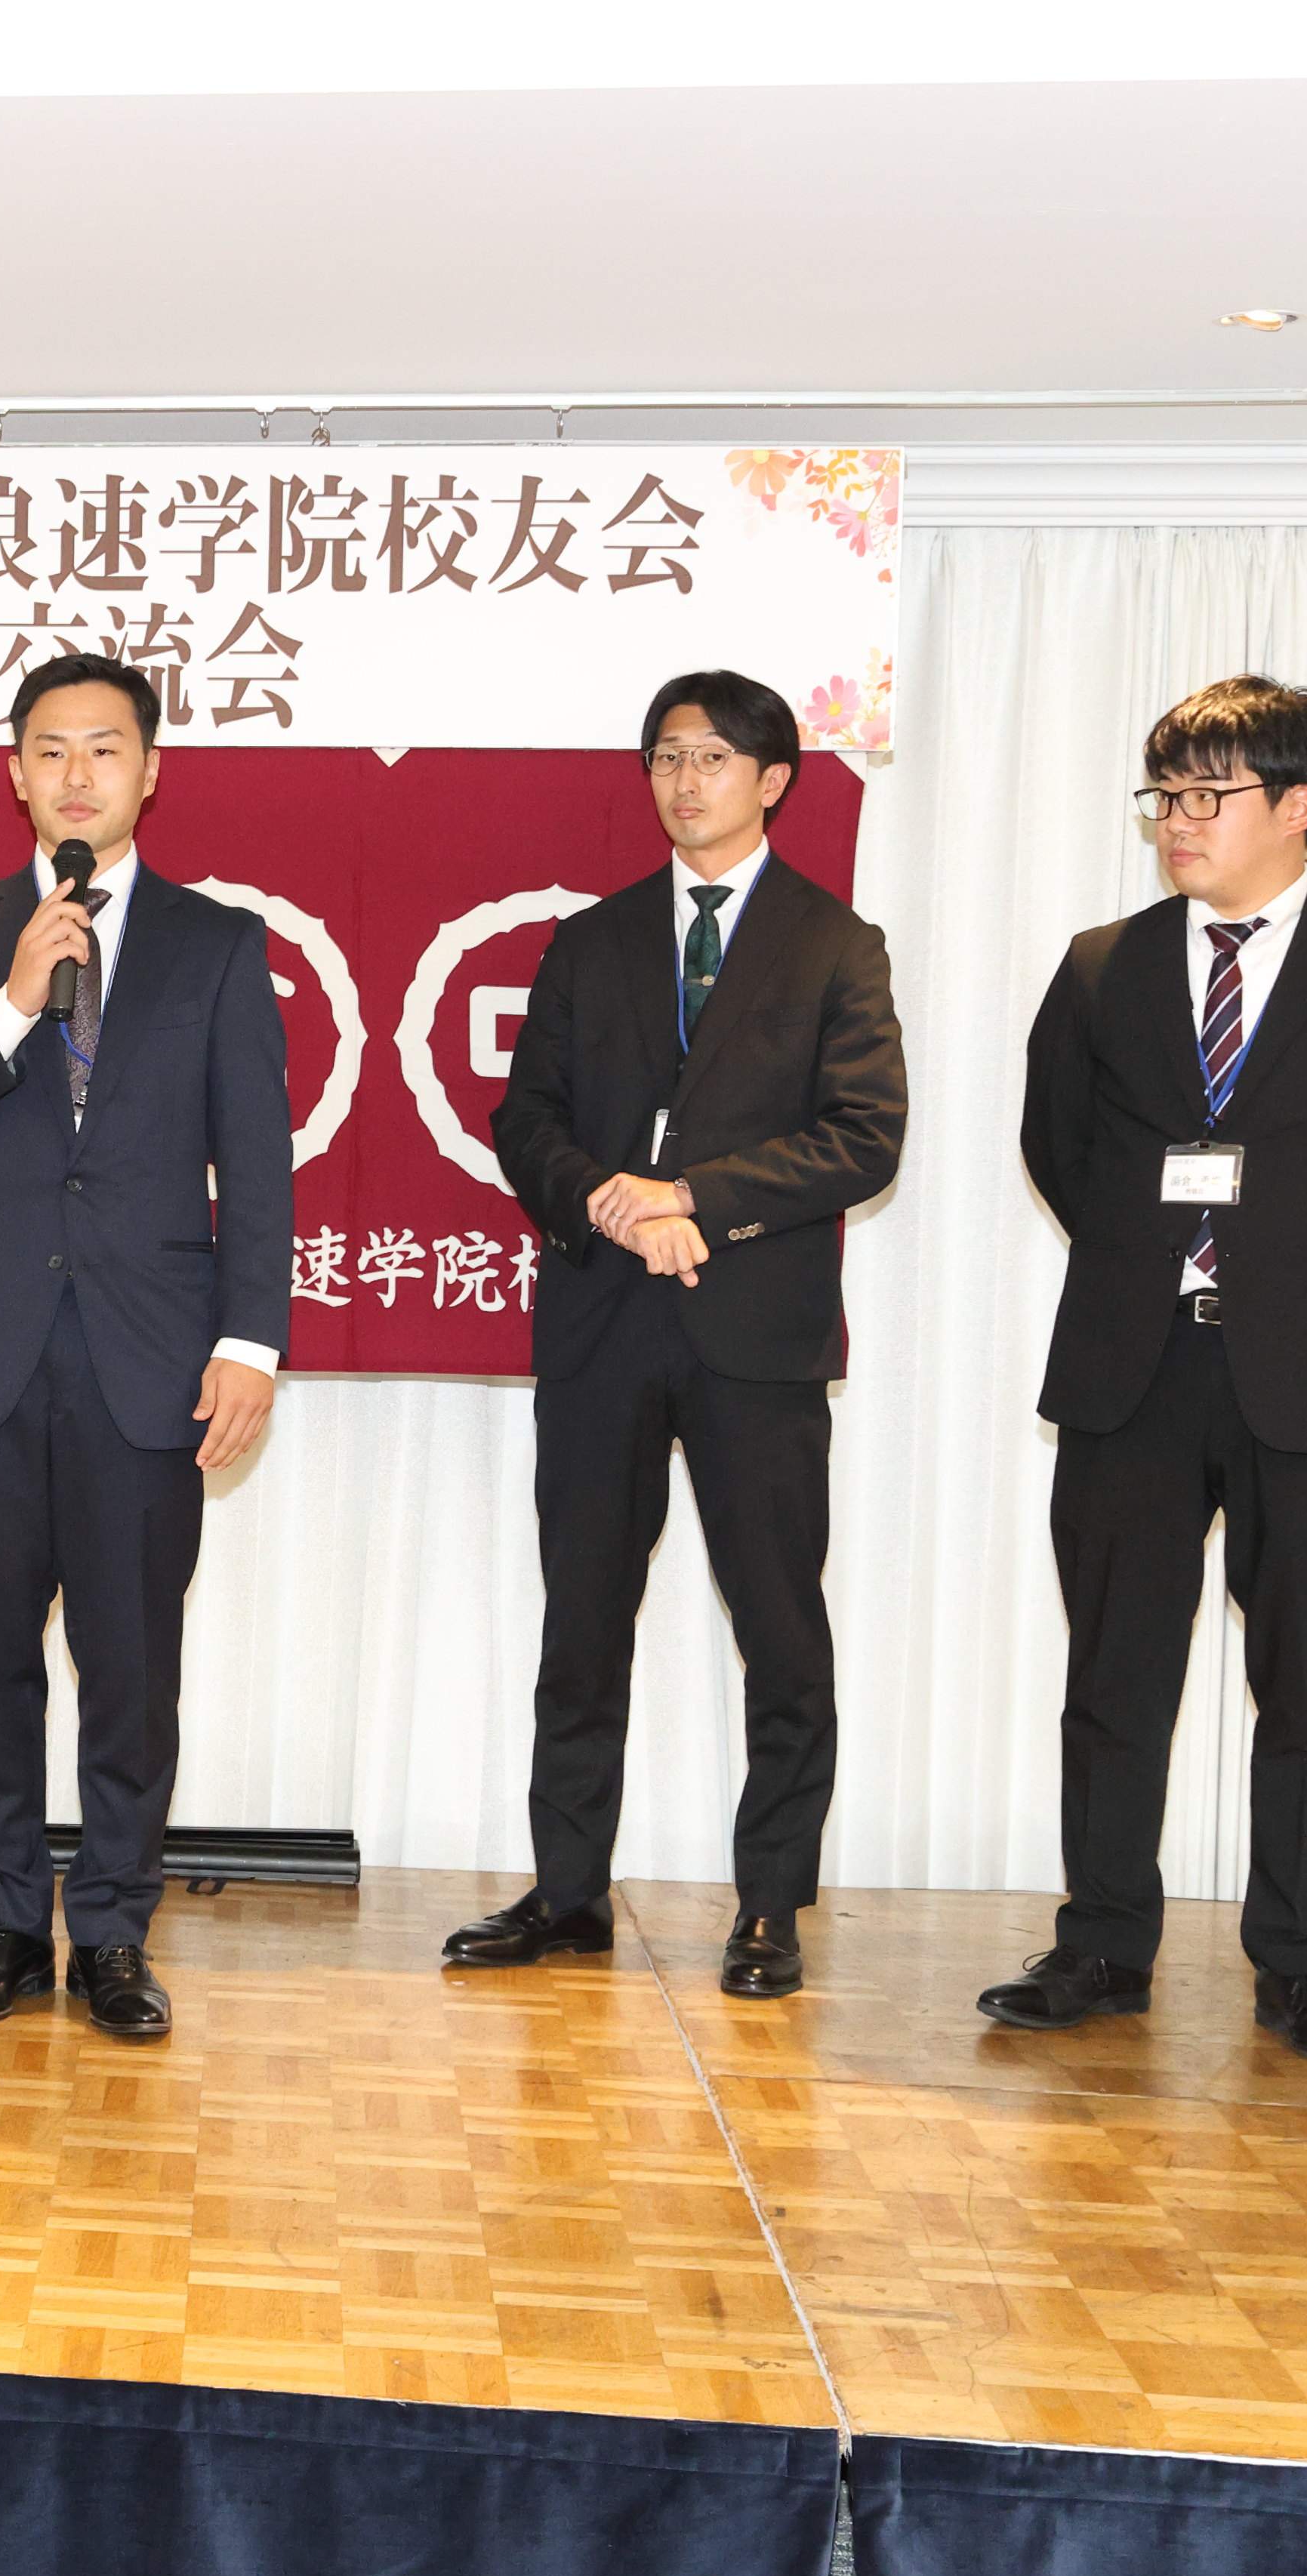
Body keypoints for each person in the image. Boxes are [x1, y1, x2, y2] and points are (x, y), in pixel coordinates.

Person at [986, 677, 1307, 2066]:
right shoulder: (1102, 964)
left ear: (1297, 805)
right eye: (1164, 794)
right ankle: (1099, 1942)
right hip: (1130, 1371)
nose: (1177, 820)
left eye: (1207, 794)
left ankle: (1303, 1968)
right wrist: (1154, 1263)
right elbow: (1056, 1144)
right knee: (1115, 1675)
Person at [452, 671, 907, 1998]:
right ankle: (566, 1891)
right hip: (602, 1323)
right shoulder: (590, 940)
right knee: (582, 1619)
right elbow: (524, 1119)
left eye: (711, 758)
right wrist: (608, 1197)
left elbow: (862, 1138)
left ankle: (769, 1903)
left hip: (753, 1335)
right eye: (664, 757)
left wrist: (692, 1199)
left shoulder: (835, 944)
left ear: (773, 781)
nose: (684, 781)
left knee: (779, 1624)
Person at [0, 654, 293, 2041]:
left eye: (103, 748)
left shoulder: (216, 944)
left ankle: (111, 1926)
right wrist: (8, 1003)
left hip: (148, 1359)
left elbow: (257, 1162)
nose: (75, 774)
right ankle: (2, 1919)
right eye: (48, 749)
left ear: (149, 771)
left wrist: (249, 1340)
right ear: (13, 773)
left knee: (128, 1665)